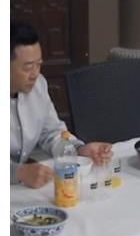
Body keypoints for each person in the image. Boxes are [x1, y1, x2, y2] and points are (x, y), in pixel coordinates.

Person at [11, 21, 112, 188]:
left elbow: (51, 132)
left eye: (38, 64)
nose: (35, 74)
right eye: (28, 67)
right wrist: (18, 172)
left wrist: (78, 150)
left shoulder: (38, 85)